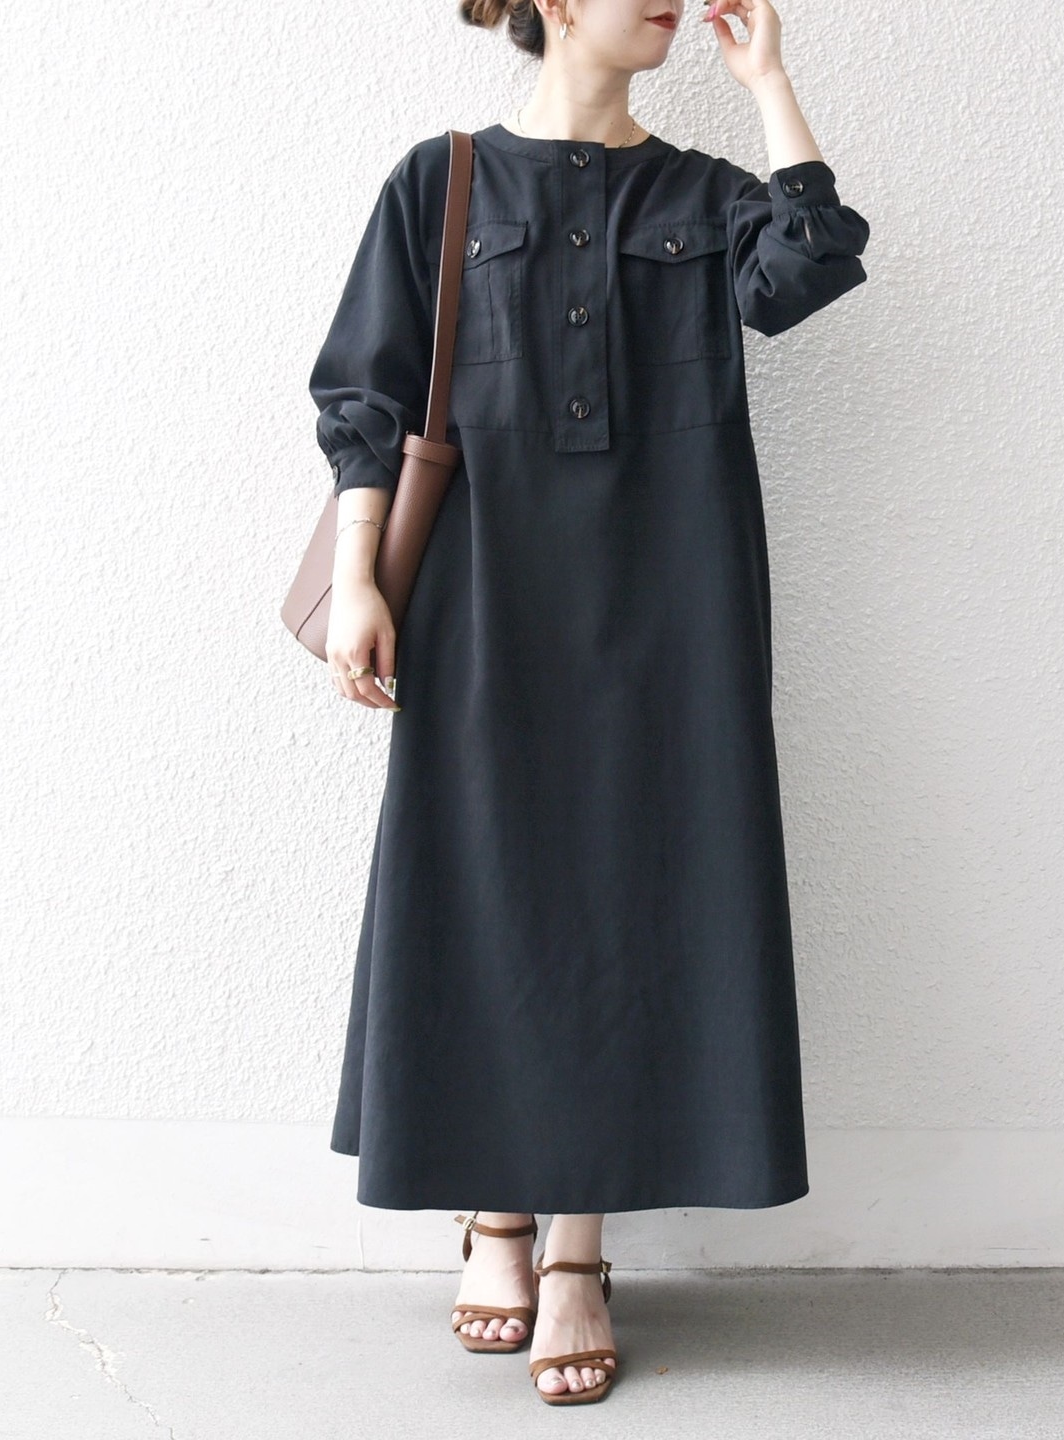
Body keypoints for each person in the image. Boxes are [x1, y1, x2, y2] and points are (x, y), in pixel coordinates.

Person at [307, 0, 869, 1408]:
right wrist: (361, 579)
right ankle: (495, 1214)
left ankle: (576, 1248)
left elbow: (808, 270)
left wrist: (770, 83)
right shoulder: (439, 182)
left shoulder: (705, 196)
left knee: (635, 892)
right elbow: (369, 394)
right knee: (486, 881)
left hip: (671, 597)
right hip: (483, 592)